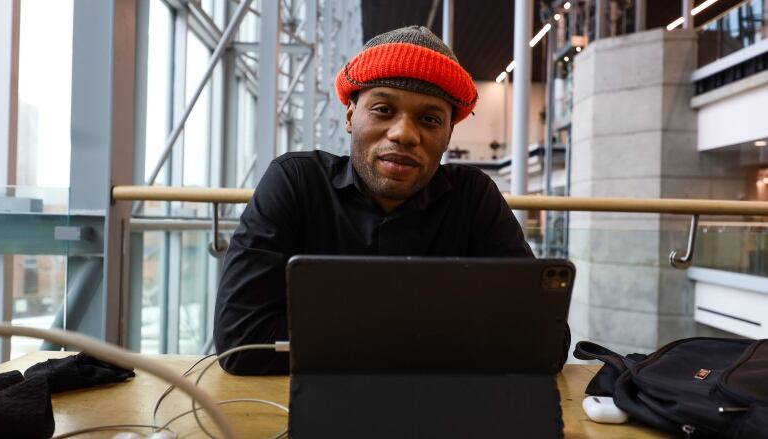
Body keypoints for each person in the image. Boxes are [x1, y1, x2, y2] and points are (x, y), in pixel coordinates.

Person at [214, 25, 567, 375]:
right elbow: (242, 342)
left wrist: (337, 336)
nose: (403, 134)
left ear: (448, 135)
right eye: (383, 109)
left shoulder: (473, 198)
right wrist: (441, 335)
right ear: (351, 116)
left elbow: (546, 340)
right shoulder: (296, 183)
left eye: (429, 119)